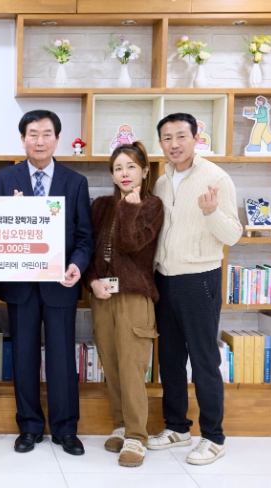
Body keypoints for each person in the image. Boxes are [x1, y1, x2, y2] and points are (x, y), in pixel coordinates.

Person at [0, 110, 94, 455]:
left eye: (46, 134)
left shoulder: (75, 181)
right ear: (22, 139)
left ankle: (66, 429)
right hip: (21, 285)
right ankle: (30, 426)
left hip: (60, 284)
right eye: (32, 134)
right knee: (23, 356)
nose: (39, 140)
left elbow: (84, 237)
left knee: (62, 359)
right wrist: (11, 214)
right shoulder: (5, 179)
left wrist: (77, 265)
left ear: (57, 139)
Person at [148, 113, 242, 465]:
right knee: (170, 358)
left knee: (204, 359)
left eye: (181, 136)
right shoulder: (162, 181)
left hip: (199, 279)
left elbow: (232, 235)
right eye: (167, 138)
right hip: (164, 279)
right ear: (161, 143)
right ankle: (177, 427)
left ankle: (214, 437)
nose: (174, 144)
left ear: (195, 138)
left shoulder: (216, 178)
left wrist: (211, 212)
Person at [83, 141, 163, 468]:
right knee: (112, 365)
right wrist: (92, 281)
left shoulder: (152, 206)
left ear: (144, 171)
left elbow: (131, 244)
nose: (124, 173)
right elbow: (88, 251)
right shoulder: (101, 205)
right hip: (102, 296)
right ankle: (120, 425)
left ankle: (137, 436)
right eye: (118, 168)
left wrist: (130, 208)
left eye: (131, 166)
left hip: (134, 297)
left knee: (132, 367)